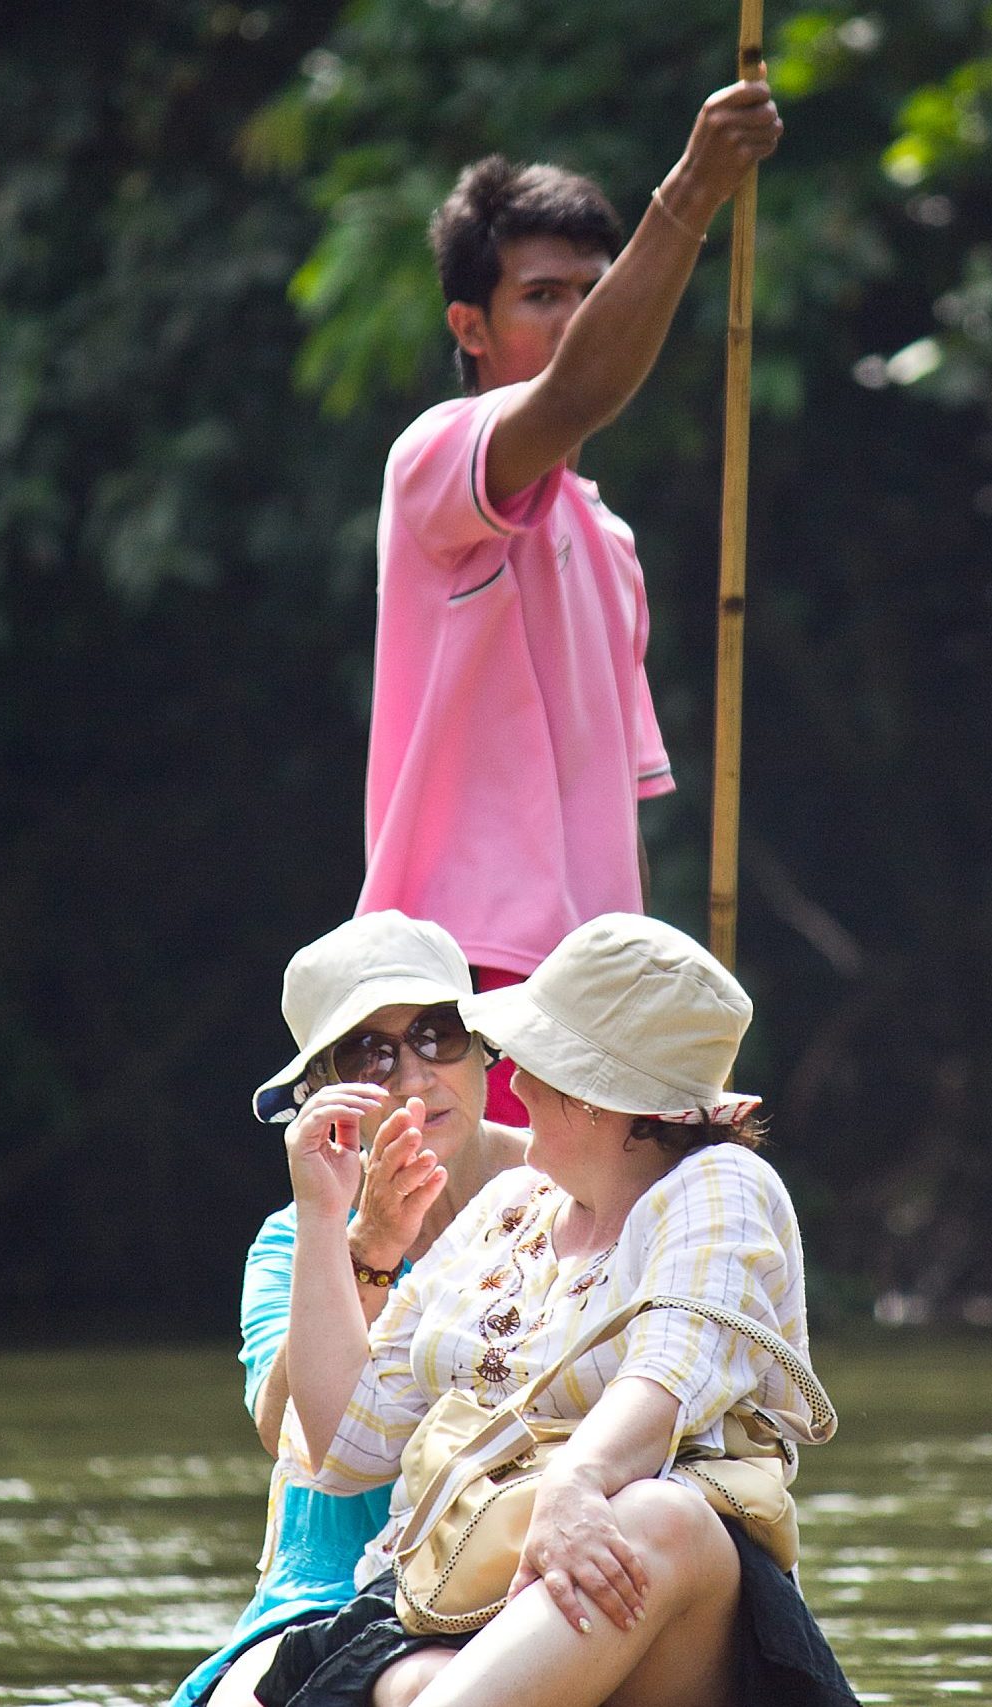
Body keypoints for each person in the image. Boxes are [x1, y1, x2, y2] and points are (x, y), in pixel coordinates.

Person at [220, 913, 859, 1707]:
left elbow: (671, 1367)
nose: (513, 1080)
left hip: (667, 1602)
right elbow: (346, 1444)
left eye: (537, 1059)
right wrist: (325, 1217)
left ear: (594, 1095)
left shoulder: (721, 1183)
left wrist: (576, 1483)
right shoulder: (513, 1203)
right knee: (410, 1678)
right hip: (462, 1594)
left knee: (659, 1513)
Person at [355, 74, 783, 1122]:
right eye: (543, 296)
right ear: (470, 326)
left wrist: (651, 1025)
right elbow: (580, 390)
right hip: (462, 987)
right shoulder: (437, 459)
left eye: (596, 290)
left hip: (586, 1007)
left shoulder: (611, 544)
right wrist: (692, 193)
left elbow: (615, 817)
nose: (578, 318)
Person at [171, 911, 526, 1707]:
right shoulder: (294, 1236)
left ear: (482, 1046)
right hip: (327, 1588)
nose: (414, 1078)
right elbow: (285, 1432)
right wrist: (356, 1240)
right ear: (316, 1093)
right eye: (369, 1053)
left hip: (512, 1561)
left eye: (437, 1034)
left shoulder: (567, 1188)